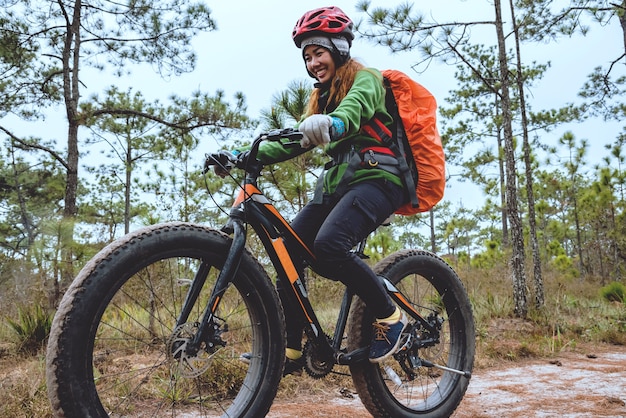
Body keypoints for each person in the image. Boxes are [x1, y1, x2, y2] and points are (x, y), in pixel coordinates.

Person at [231, 6, 409, 374]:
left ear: (339, 48)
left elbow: (356, 110)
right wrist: (242, 155)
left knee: (329, 246)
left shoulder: (367, 79)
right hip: (338, 187)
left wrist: (336, 121)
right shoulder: (321, 98)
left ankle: (391, 318)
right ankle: (292, 351)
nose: (313, 62)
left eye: (318, 53)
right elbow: (292, 142)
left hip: (379, 180)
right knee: (288, 254)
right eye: (307, 57)